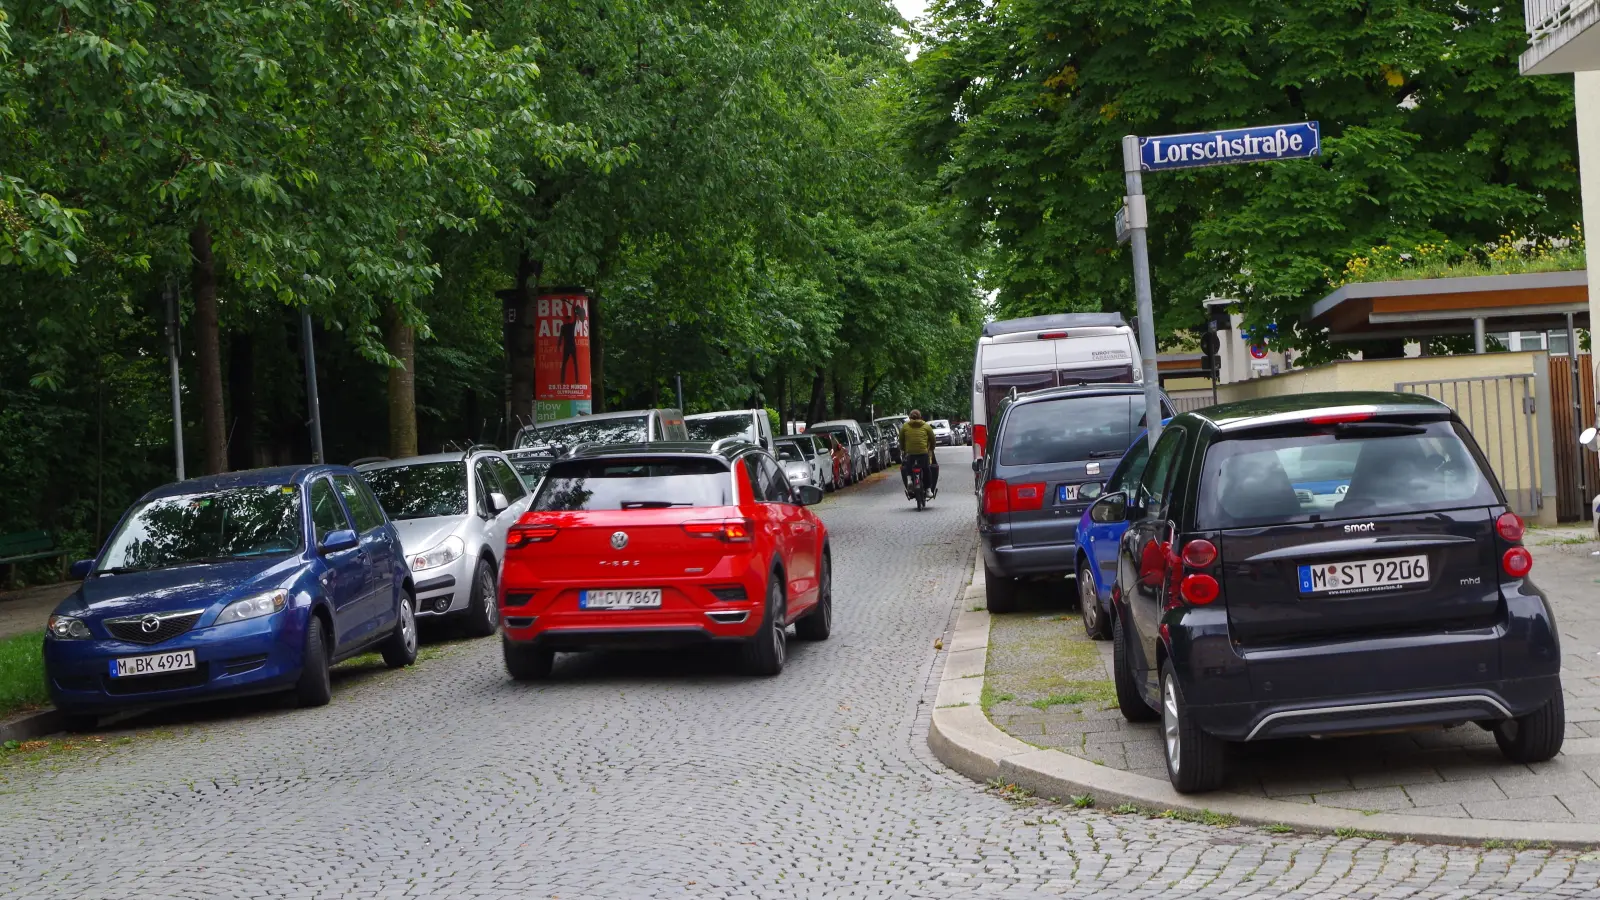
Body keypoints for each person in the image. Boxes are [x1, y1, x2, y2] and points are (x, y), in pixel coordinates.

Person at [898, 411, 939, 498]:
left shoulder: (905, 426)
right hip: (923, 453)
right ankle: (928, 490)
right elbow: (932, 439)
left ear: (910, 417)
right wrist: (931, 448)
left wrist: (904, 449)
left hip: (910, 452)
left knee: (909, 465)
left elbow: (901, 439)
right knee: (927, 469)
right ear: (920, 417)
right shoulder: (926, 426)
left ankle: (909, 479)